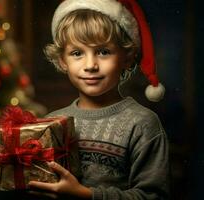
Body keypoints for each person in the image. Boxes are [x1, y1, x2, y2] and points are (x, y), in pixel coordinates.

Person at [28, 0, 169, 199]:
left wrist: (85, 194)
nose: (90, 65)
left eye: (103, 52)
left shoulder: (142, 124)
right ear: (62, 60)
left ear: (127, 58)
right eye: (77, 53)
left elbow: (154, 196)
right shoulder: (52, 122)